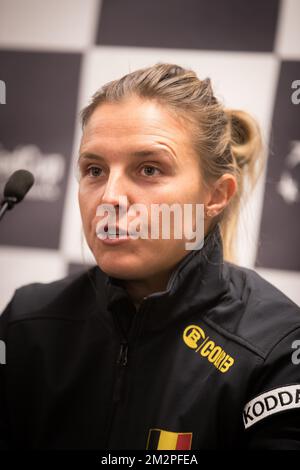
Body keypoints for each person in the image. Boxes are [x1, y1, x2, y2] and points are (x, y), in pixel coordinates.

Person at [1, 62, 300, 450]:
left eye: (148, 169)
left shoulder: (277, 349)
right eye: (94, 169)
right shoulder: (27, 321)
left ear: (215, 196)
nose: (110, 198)